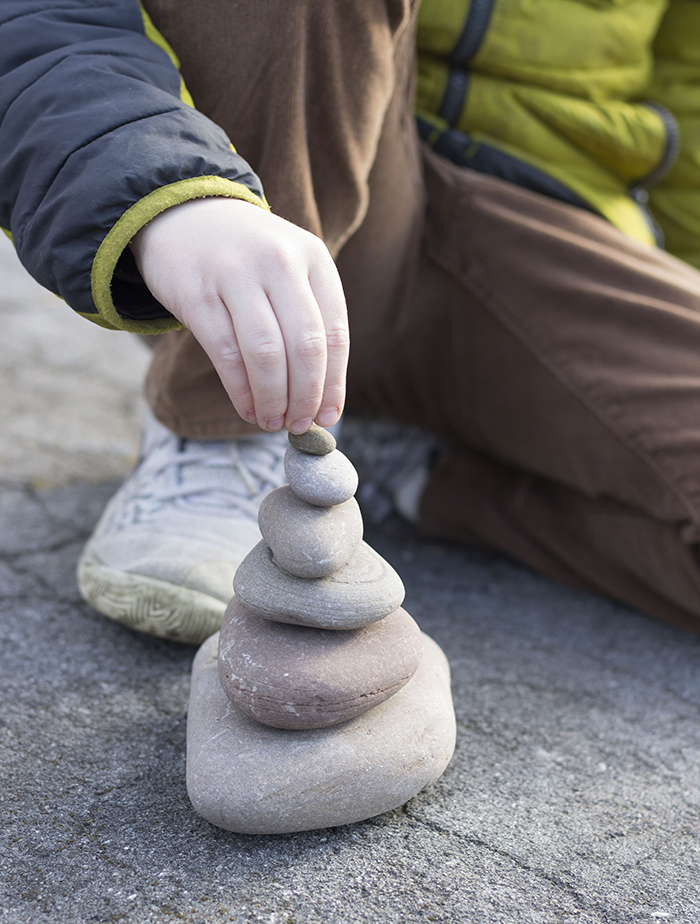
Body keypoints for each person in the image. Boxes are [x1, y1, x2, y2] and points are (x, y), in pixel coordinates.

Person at [3, 0, 700, 643]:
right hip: (277, 185)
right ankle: (224, 422)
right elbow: (41, 20)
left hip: (545, 236)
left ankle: (417, 475)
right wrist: (167, 189)